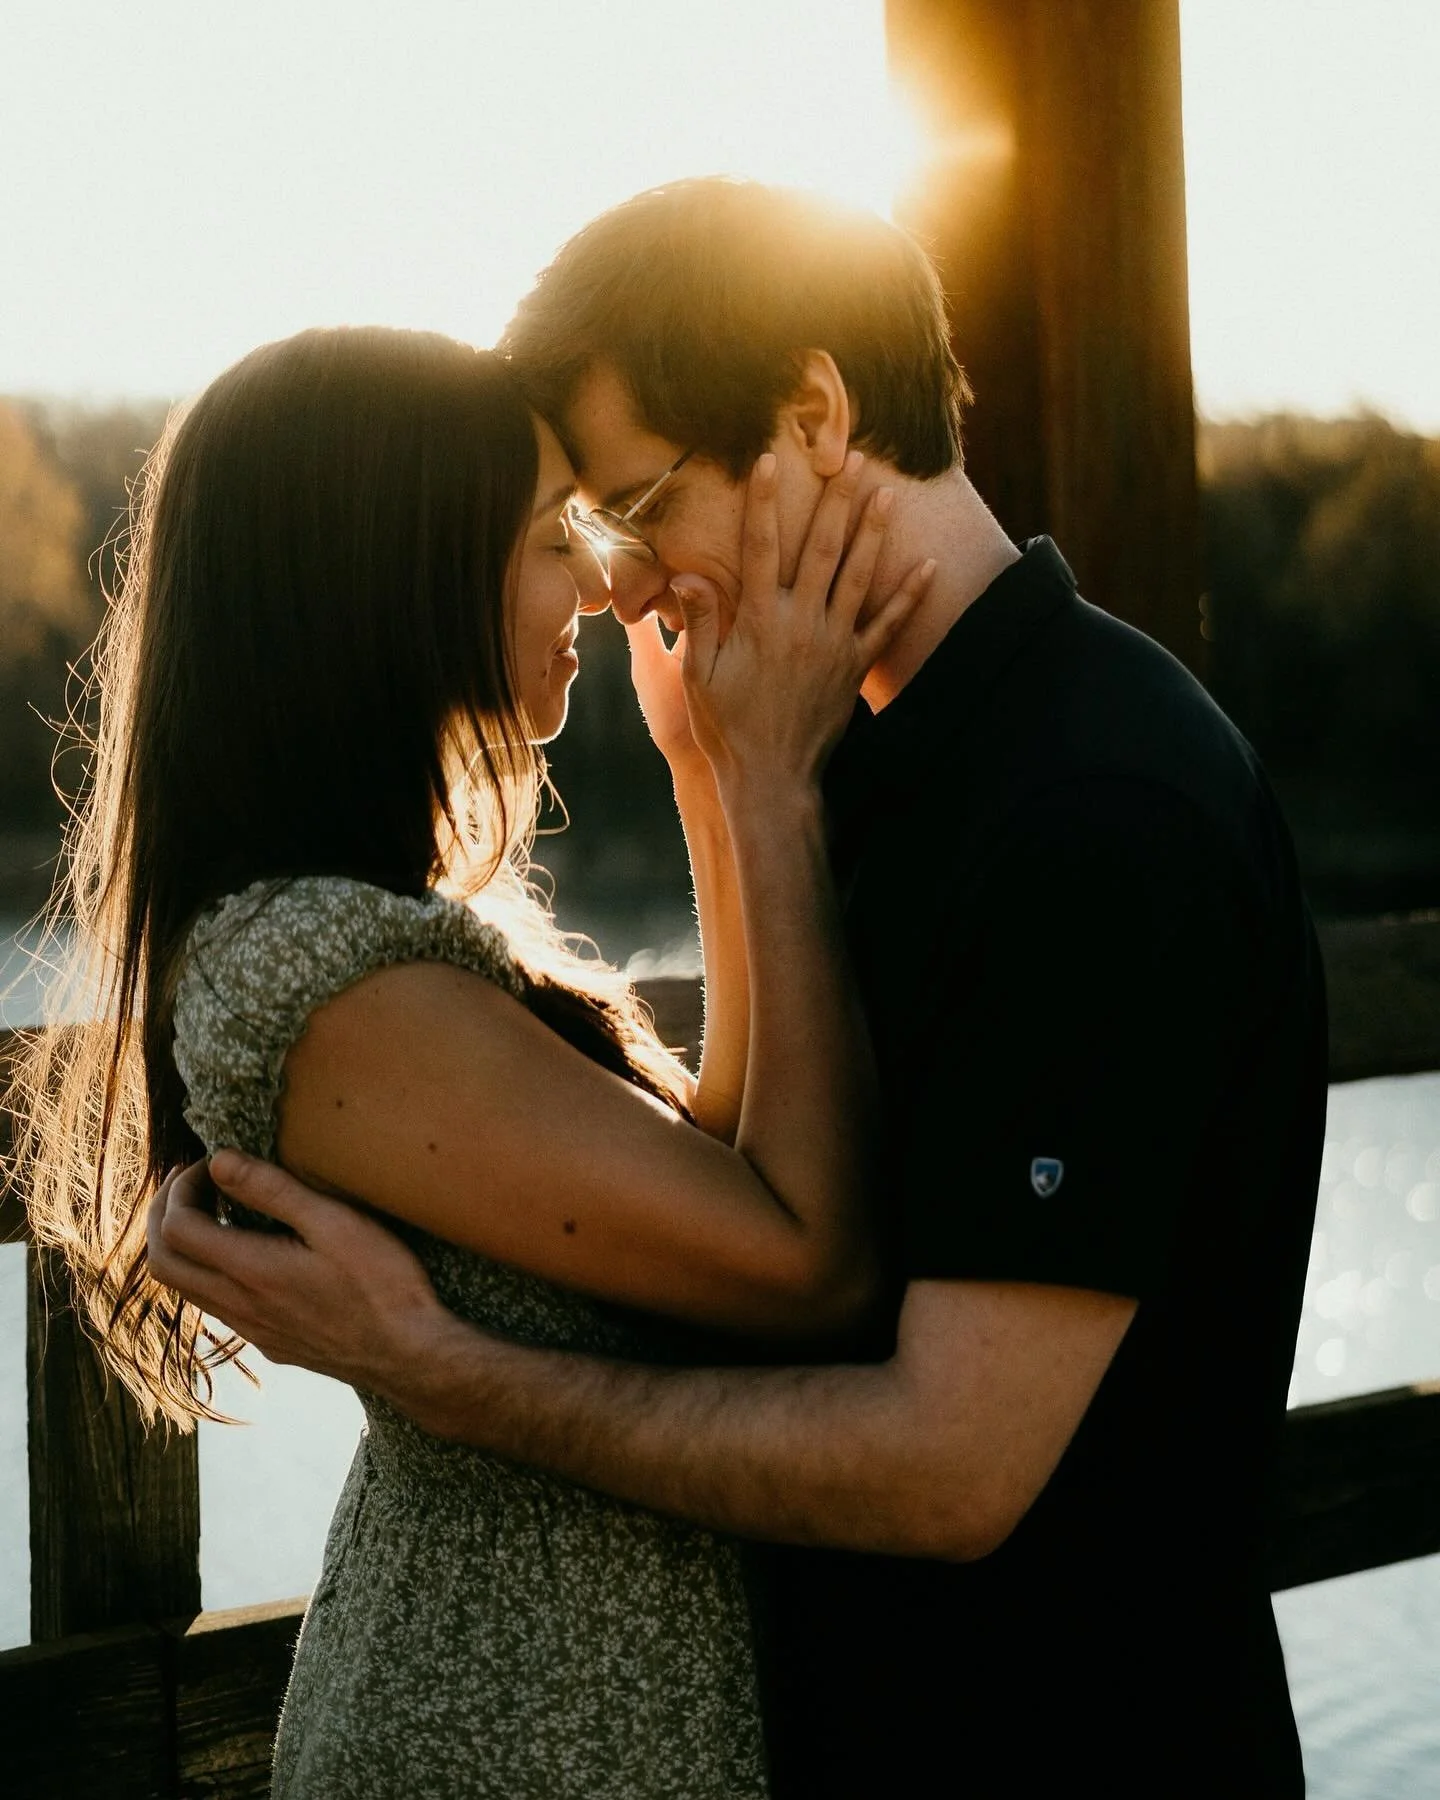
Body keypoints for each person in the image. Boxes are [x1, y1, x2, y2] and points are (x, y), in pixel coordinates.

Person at [151, 181, 1328, 1798]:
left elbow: (949, 1464)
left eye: (639, 505)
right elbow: (737, 1208)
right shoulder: (865, 769)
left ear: (815, 417)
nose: (621, 585)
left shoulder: (1093, 806)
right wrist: (731, 783)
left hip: (1069, 1749)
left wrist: (449, 1375)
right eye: (582, 533)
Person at [13, 322, 935, 1798]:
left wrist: (708, 773)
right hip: (498, 1729)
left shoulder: (376, 938)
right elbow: (802, 1263)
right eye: (549, 536)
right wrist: (777, 788)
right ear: (395, 580)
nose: (599, 584)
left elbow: (715, 1190)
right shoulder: (331, 982)